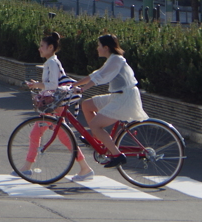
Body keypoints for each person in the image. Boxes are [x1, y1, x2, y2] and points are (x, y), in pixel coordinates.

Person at [23, 31, 96, 182]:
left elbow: (52, 85)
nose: (39, 49)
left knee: (39, 134)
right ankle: (84, 167)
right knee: (61, 135)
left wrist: (36, 85)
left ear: (50, 47)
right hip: (55, 103)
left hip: (53, 104)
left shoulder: (51, 63)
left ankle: (26, 168)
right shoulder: (52, 62)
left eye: (42, 46)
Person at [75, 33, 148, 169]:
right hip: (116, 96)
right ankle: (97, 139)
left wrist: (82, 89)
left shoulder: (117, 60)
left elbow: (100, 77)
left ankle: (117, 155)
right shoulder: (111, 59)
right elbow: (95, 74)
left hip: (125, 98)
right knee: (86, 105)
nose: (97, 48)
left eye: (99, 46)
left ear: (106, 47)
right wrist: (74, 85)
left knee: (96, 125)